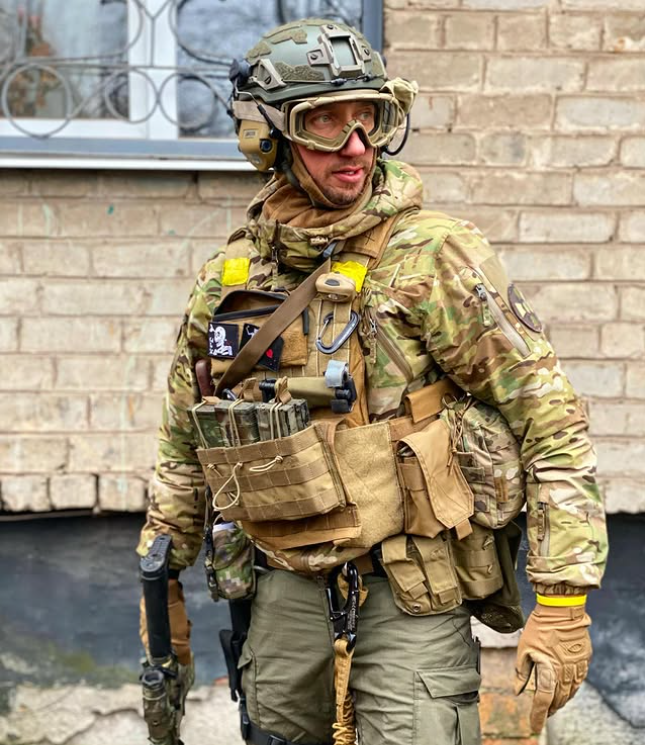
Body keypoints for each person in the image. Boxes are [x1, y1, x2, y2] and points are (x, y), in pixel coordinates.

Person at [137, 17, 608, 745]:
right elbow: (184, 441)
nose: (356, 146)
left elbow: (549, 418)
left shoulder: (432, 257)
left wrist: (563, 597)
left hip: (410, 587)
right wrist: (162, 575)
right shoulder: (233, 276)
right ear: (268, 137)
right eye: (324, 122)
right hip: (281, 586)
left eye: (372, 118)